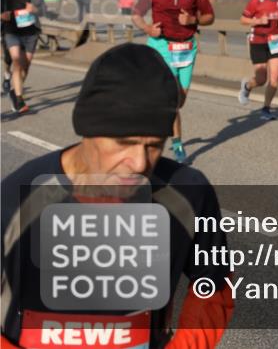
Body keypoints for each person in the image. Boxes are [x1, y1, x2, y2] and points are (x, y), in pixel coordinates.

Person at [0, 43, 234, 349]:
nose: (139, 163)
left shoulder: (188, 194)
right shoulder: (17, 199)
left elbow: (214, 286)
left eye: (154, 145)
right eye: (124, 142)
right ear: (87, 130)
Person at [132, 0, 215, 163]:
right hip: (162, 46)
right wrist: (148, 29)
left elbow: (209, 17)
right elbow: (136, 14)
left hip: (187, 49)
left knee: (180, 101)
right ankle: (178, 145)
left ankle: (158, 116)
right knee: (171, 101)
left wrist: (192, 20)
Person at [237, 0, 278, 120]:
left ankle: (266, 108)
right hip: (258, 41)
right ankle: (247, 87)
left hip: (275, 40)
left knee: (275, 77)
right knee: (261, 79)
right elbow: (242, 20)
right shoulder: (256, 1)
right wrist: (258, 21)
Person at [0, 0, 45, 114]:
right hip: (11, 31)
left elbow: (43, 11)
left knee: (26, 65)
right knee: (17, 61)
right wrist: (1, 15)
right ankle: (19, 100)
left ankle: (14, 91)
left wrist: (35, 10)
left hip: (31, 33)